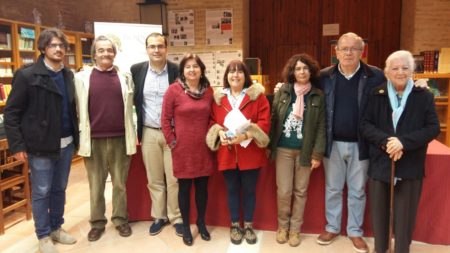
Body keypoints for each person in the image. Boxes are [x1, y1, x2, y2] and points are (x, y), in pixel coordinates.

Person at [4, 28, 79, 253]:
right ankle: (44, 235)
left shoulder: (68, 74)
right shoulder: (27, 75)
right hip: (40, 146)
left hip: (65, 143)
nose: (58, 49)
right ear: (43, 48)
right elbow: (12, 113)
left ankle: (56, 227)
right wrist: (17, 145)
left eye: (62, 46)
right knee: (42, 190)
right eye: (53, 45)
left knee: (60, 188)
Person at [360, 50, 439, 253]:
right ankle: (381, 248)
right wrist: (387, 142)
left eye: (405, 67)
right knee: (379, 213)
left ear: (412, 70)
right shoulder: (376, 94)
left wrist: (403, 142)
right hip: (381, 162)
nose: (400, 72)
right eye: (395, 68)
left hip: (410, 162)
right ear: (387, 72)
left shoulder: (424, 96)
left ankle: (402, 249)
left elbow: (432, 128)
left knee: (405, 215)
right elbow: (366, 124)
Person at [314, 32, 386, 253]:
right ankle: (332, 227)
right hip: (332, 143)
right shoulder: (324, 76)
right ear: (335, 52)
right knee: (333, 188)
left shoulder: (375, 76)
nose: (348, 52)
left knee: (357, 190)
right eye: (343, 48)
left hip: (361, 143)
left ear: (361, 51)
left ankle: (355, 231)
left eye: (353, 48)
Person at [74, 35, 136, 242]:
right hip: (93, 141)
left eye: (109, 50)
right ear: (94, 54)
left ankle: (120, 219)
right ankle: (97, 223)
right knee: (96, 184)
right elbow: (77, 108)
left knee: (119, 183)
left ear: (114, 53)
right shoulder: (82, 78)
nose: (106, 54)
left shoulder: (124, 77)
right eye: (101, 50)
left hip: (120, 138)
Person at [206, 60, 271, 245]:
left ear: (245, 75)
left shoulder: (257, 97)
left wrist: (247, 135)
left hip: (250, 153)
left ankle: (248, 225)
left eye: (239, 72)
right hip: (227, 152)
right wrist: (218, 132)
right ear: (226, 76)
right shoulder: (219, 98)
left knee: (249, 191)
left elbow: (265, 122)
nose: (235, 75)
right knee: (232, 190)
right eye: (231, 72)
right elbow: (211, 121)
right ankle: (235, 225)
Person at [269, 54, 326, 247]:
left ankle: (295, 230)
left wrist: (317, 153)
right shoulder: (283, 91)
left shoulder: (318, 95)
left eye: (305, 68)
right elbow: (273, 118)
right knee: (284, 191)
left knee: (300, 191)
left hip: (305, 151)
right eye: (298, 68)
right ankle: (282, 227)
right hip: (283, 149)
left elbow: (321, 126)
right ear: (292, 72)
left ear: (311, 71)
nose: (302, 72)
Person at [130, 33, 183, 236]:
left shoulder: (176, 70)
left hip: (172, 132)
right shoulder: (137, 70)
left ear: (166, 48)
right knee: (154, 179)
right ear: (147, 49)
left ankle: (176, 217)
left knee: (173, 178)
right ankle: (159, 216)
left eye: (160, 46)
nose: (156, 50)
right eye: (152, 46)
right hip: (149, 131)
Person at [161, 53, 216, 246]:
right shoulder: (173, 90)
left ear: (201, 70)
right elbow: (165, 120)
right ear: (182, 71)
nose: (191, 70)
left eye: (195, 66)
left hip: (204, 149)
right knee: (183, 189)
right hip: (182, 150)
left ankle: (201, 223)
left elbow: (213, 118)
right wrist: (172, 142)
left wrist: (211, 136)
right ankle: (185, 226)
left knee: (202, 189)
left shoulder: (209, 92)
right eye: (187, 67)